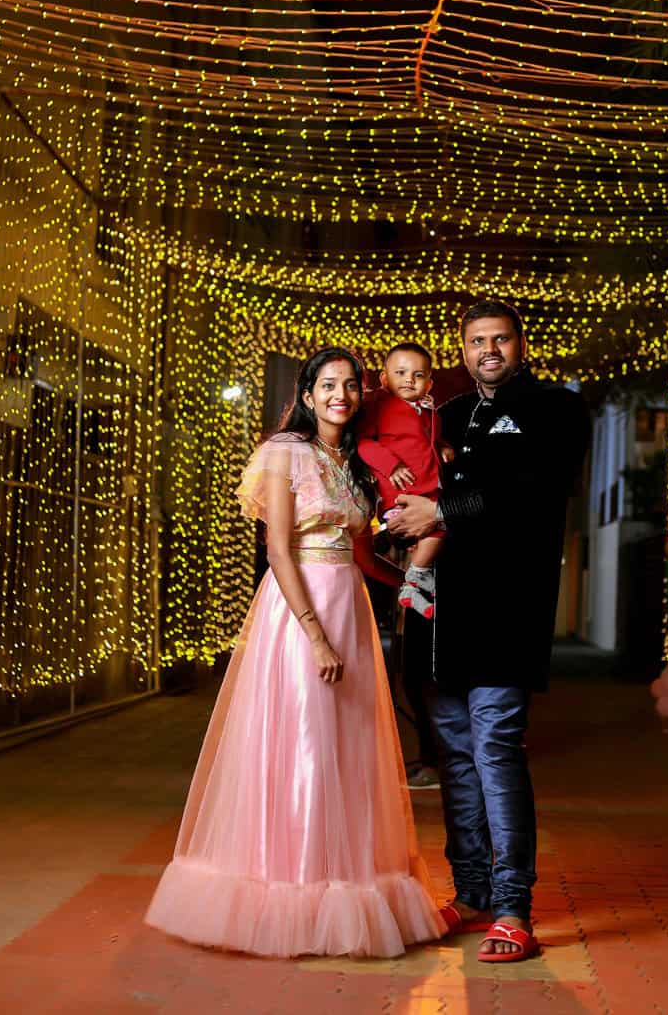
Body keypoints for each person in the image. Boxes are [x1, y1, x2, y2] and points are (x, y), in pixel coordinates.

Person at [145, 348, 445, 959]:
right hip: (299, 610)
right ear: (307, 395)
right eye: (327, 385)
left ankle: (348, 887)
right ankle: (293, 891)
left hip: (352, 608)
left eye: (350, 386)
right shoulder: (285, 452)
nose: (341, 394)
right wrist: (312, 631)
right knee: (304, 740)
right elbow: (278, 548)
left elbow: (364, 539)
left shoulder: (356, 461)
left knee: (349, 742)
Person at [388, 301, 590, 963]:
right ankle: (471, 891)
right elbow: (395, 465)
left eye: (500, 339)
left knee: (496, 747)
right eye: (477, 341)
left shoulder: (555, 410)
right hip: (440, 621)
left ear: (520, 344)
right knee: (453, 754)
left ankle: (513, 907)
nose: (489, 349)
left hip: (505, 612)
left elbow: (532, 491)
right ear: (464, 349)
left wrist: (443, 507)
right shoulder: (443, 415)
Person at [356, 342, 453, 620]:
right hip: (400, 493)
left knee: (441, 527)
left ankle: (413, 585)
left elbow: (428, 442)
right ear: (385, 379)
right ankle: (416, 576)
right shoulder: (378, 404)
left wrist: (444, 446)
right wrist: (391, 465)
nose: (409, 379)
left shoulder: (429, 411)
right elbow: (364, 443)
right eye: (400, 373)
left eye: (418, 375)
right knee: (427, 528)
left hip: (428, 492)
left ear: (430, 383)